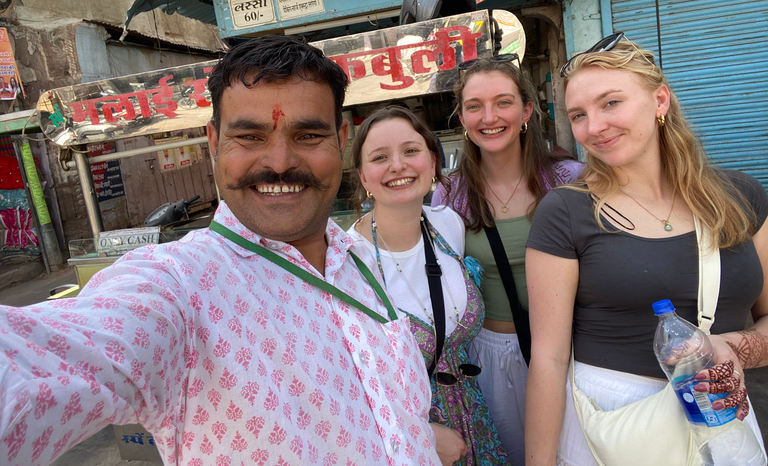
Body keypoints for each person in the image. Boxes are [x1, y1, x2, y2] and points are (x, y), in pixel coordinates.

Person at [0, 35, 441, 466]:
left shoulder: (357, 257)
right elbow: (47, 361)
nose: (281, 160)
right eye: (250, 137)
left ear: (341, 138)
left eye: (308, 135)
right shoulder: (180, 286)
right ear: (213, 142)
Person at [524, 33, 768, 465]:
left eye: (611, 103)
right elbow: (549, 359)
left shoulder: (741, 196)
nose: (593, 127)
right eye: (577, 114)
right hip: (617, 426)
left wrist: (731, 347)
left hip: (723, 417)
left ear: (660, 101)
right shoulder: (565, 211)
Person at [431, 56, 581, 464]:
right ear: (461, 117)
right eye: (474, 106)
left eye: (503, 102)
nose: (489, 117)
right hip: (491, 355)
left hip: (574, 350)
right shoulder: (450, 195)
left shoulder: (570, 178)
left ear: (526, 111)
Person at [347, 105, 510, 466]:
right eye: (379, 157)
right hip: (409, 445)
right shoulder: (348, 261)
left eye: (411, 150)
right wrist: (423, 435)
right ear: (363, 177)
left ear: (433, 162)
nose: (398, 165)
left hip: (479, 428)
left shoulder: (448, 225)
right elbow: (345, 381)